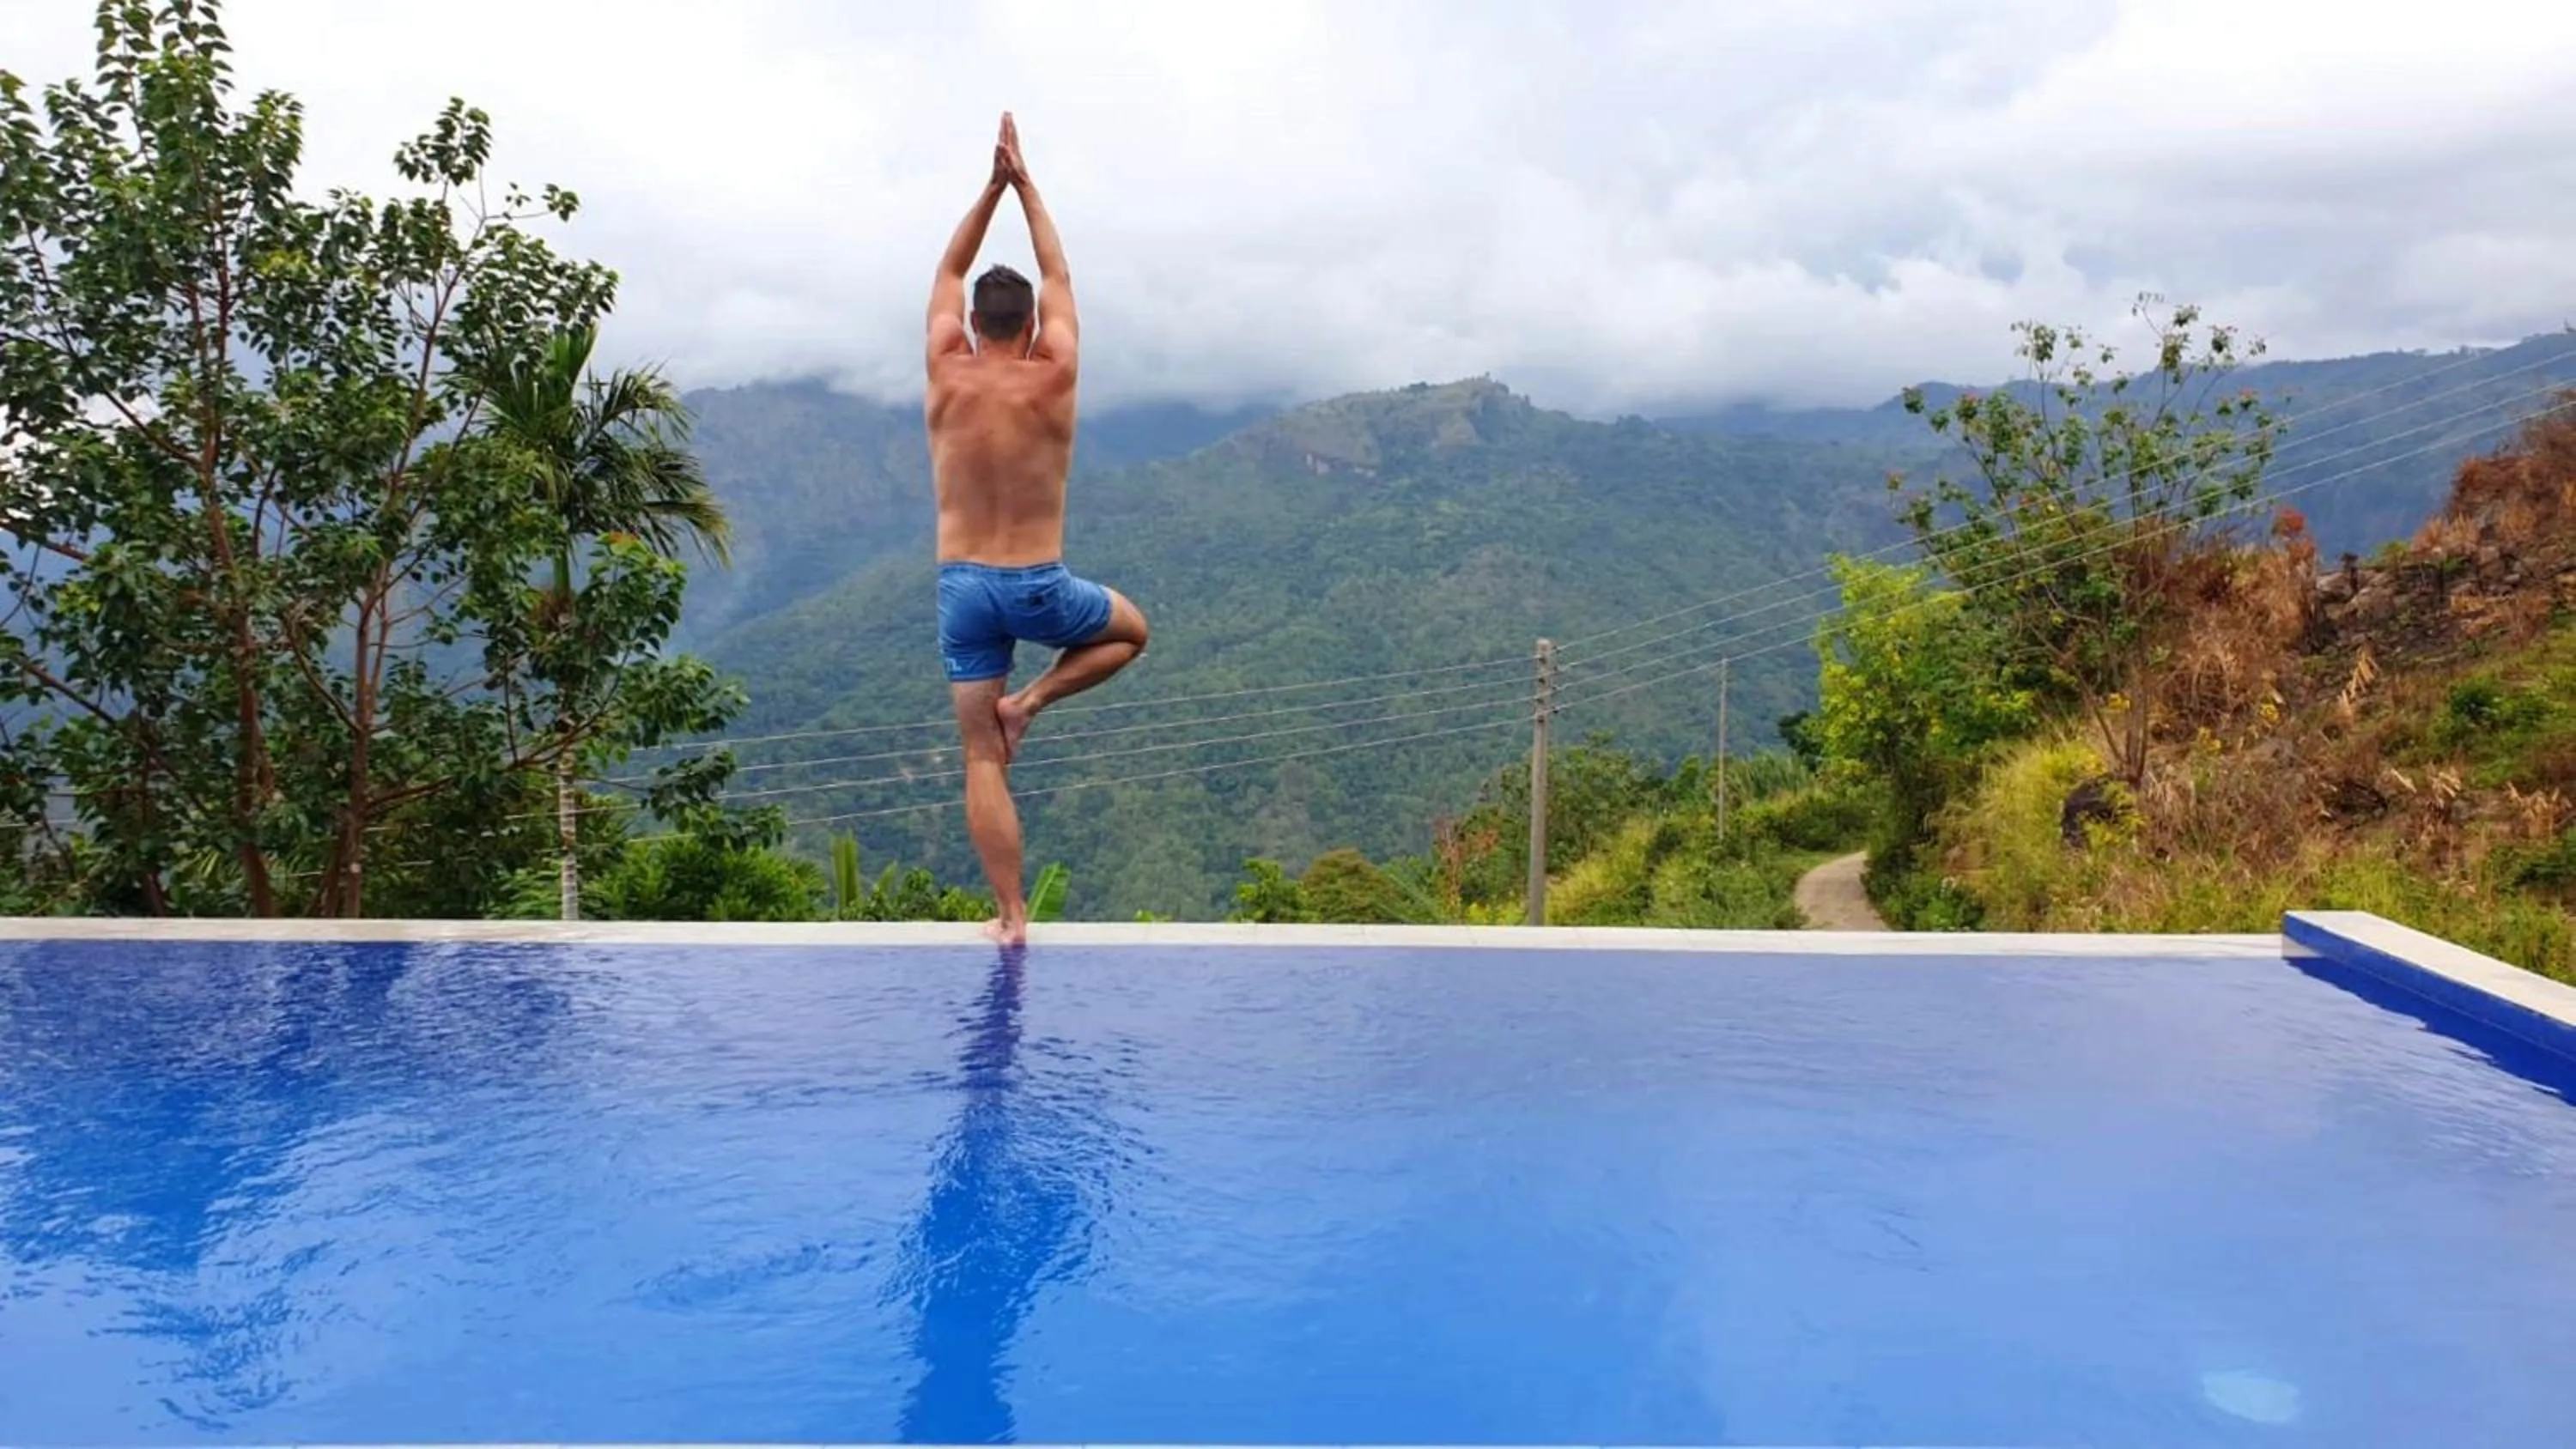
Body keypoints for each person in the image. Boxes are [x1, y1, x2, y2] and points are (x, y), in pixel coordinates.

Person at [925, 112, 1150, 946]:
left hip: (963, 587)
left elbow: (949, 268)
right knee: (1131, 632)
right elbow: (1058, 271)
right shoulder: (1056, 373)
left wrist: (989, 187)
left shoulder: (944, 369)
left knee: (980, 757)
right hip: (1037, 583)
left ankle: (1012, 917)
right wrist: (1025, 185)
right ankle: (1034, 701)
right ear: (1030, 329)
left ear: (972, 326)